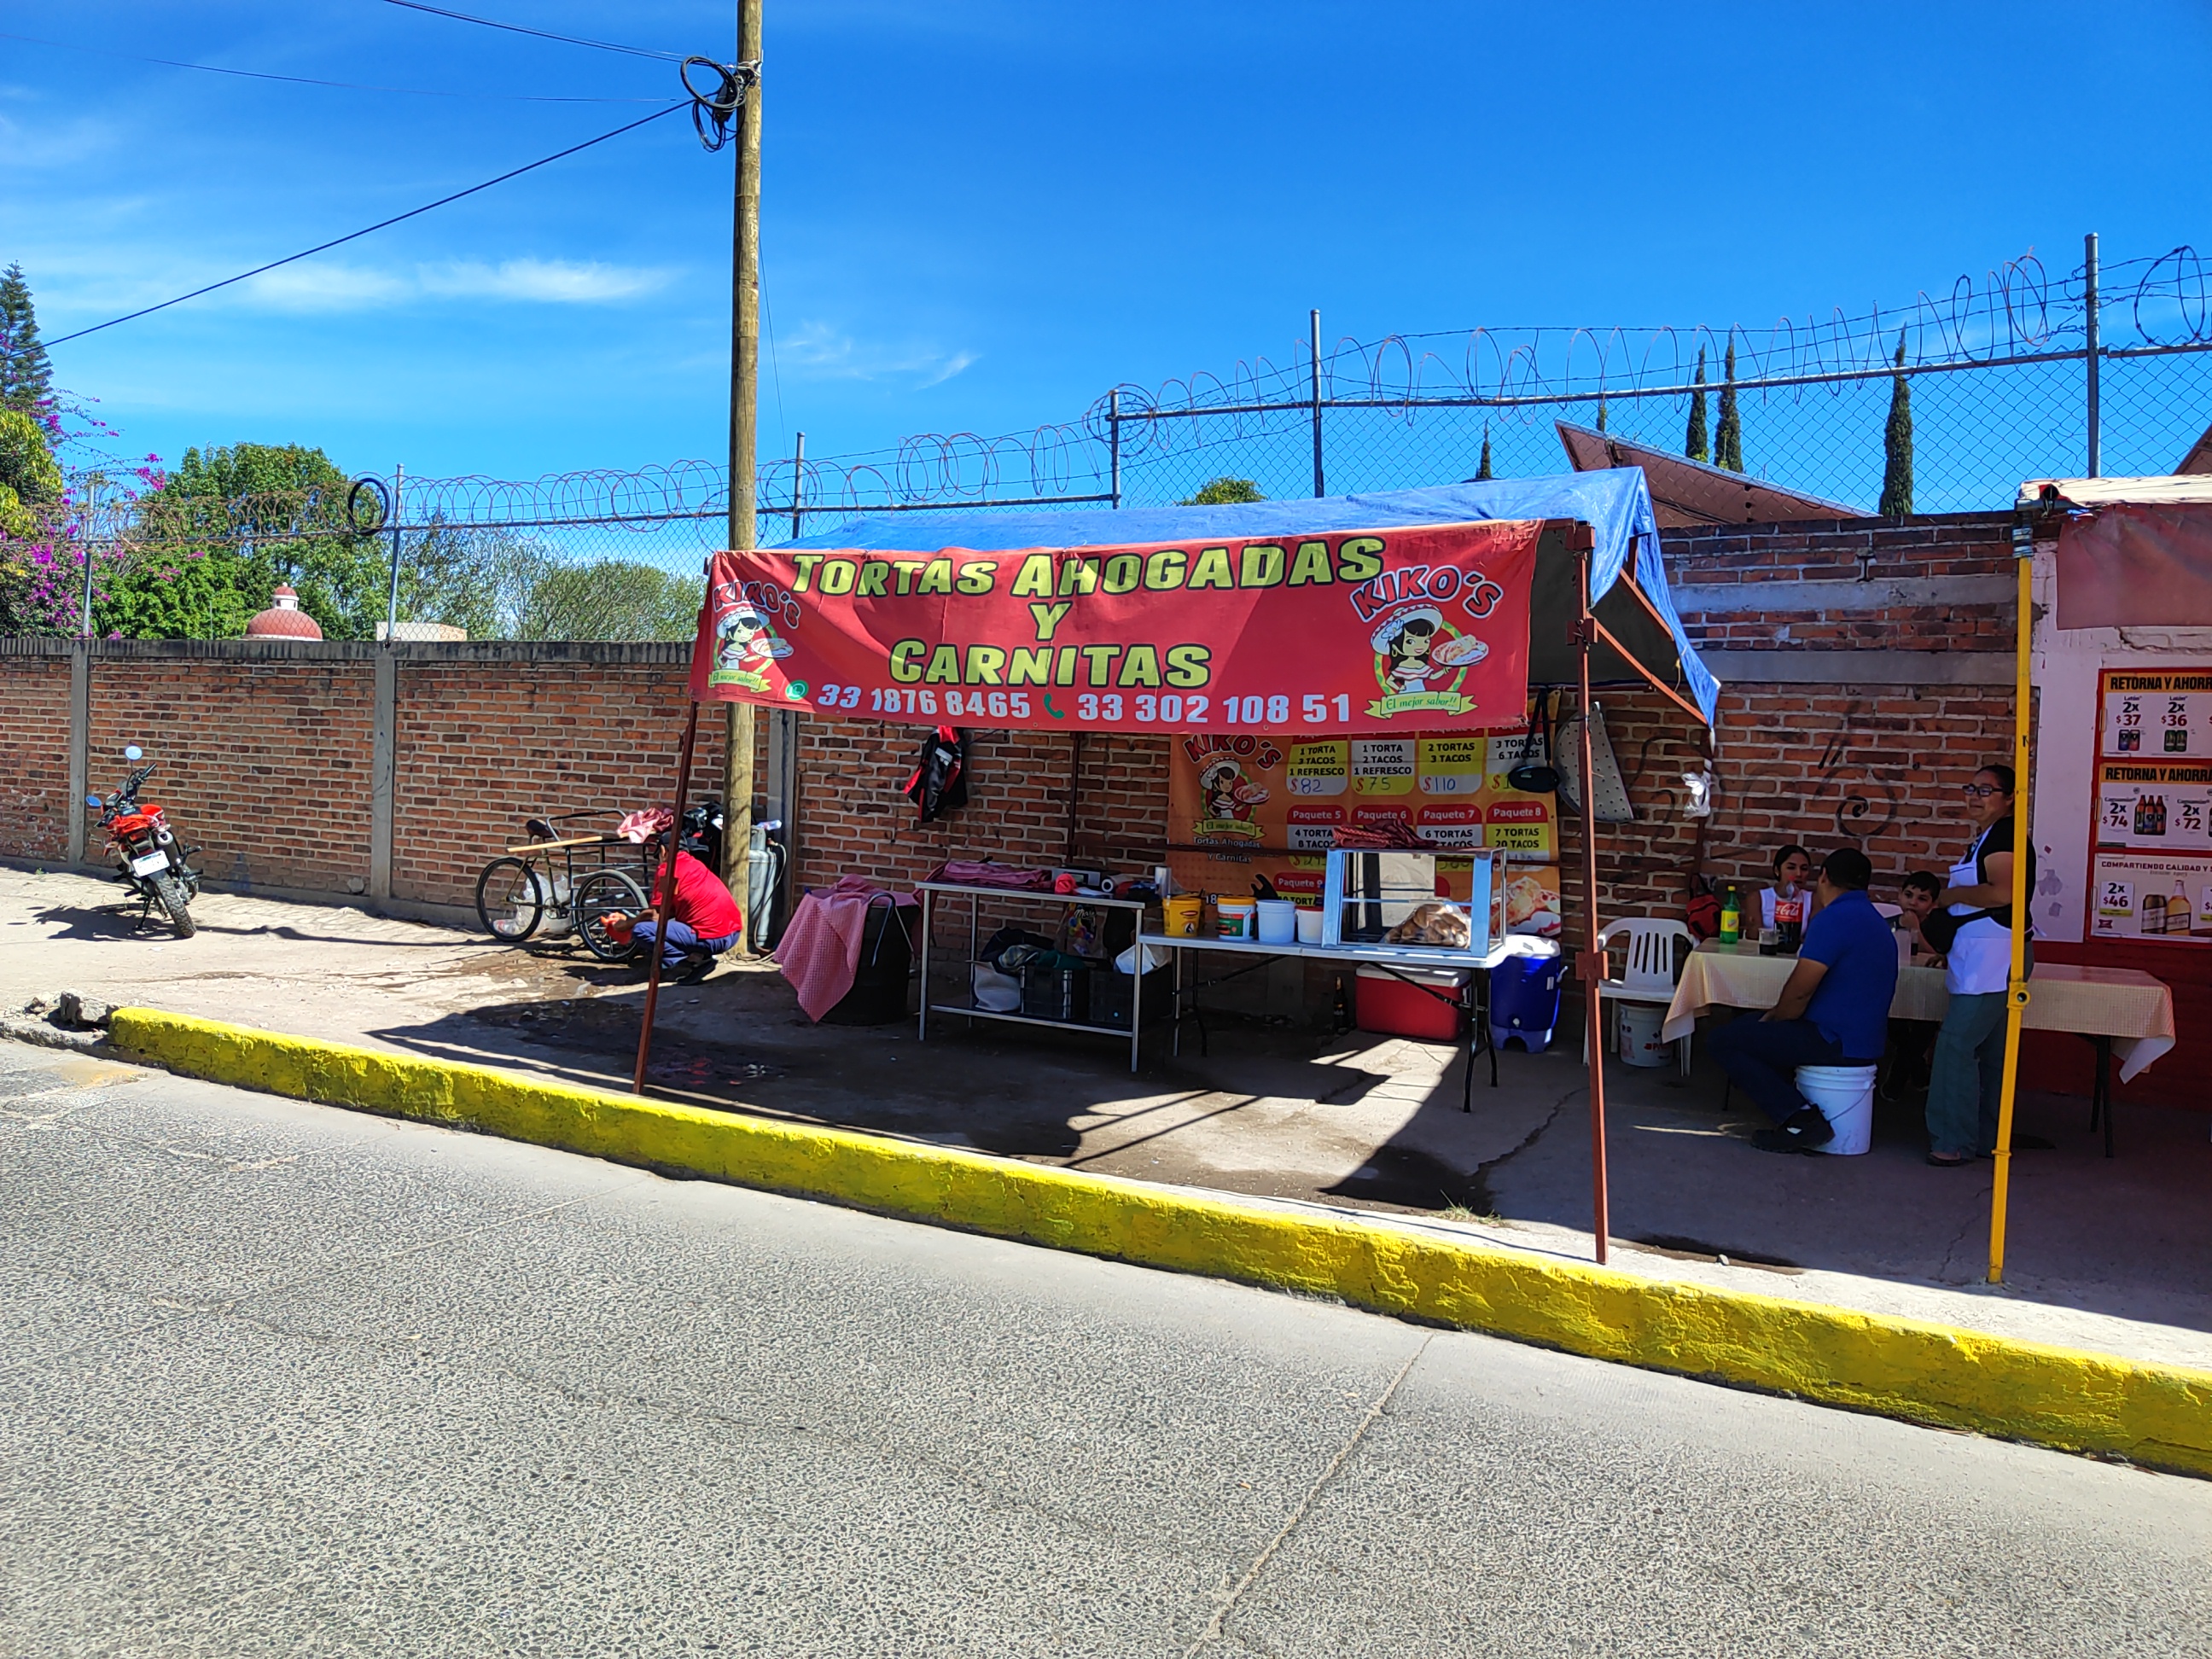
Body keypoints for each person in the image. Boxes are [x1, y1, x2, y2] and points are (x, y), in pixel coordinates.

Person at [1708, 847, 1898, 1154]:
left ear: (1824, 877)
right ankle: (1796, 1109)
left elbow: (1800, 992)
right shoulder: (1875, 921)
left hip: (1834, 1040)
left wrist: (1774, 1017)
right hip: (1865, 1040)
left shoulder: (1833, 919)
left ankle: (1801, 1120)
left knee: (1724, 1039)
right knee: (1752, 1030)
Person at [1924, 764, 2036, 1167]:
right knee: (1991, 1052)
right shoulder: (1986, 838)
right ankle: (1990, 1136)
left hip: (1996, 954)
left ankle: (1953, 1140)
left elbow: (2003, 892)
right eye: (1971, 788)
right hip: (1983, 952)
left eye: (1986, 790)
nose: (1975, 796)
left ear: (2009, 798)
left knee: (1956, 1045)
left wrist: (1948, 897)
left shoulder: (2006, 835)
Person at [602, 841, 744, 984]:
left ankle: (687, 964)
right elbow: (666, 912)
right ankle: (698, 957)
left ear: (663, 851)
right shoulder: (696, 865)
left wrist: (626, 924)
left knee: (641, 930)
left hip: (714, 938)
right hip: (734, 934)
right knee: (671, 925)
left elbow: (654, 915)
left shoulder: (668, 868)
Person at [1878, 871, 1946, 1103]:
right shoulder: (1888, 924)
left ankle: (1899, 1073)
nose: (1913, 902)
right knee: (1892, 1021)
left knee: (1925, 1025)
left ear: (1932, 905)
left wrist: (1916, 930)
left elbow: (1936, 956)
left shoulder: (1939, 925)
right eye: (1908, 895)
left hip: (1930, 990)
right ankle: (1918, 1070)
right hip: (1897, 988)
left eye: (1922, 898)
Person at [1758, 845, 1815, 933]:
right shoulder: (1759, 898)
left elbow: (1814, 936)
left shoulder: (1813, 899)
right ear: (1777, 871)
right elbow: (1754, 935)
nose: (1799, 874)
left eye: (1804, 868)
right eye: (1791, 868)